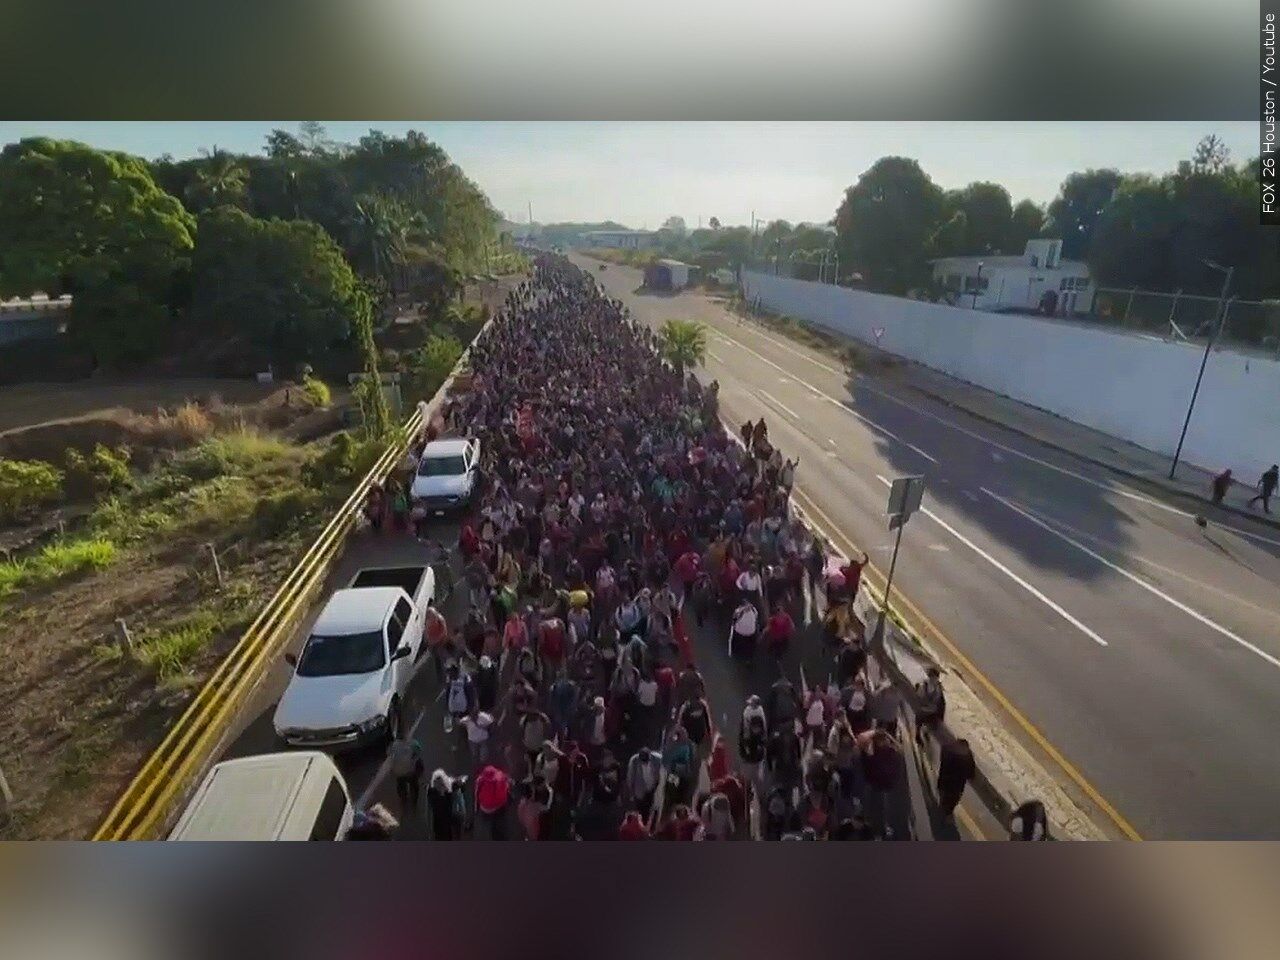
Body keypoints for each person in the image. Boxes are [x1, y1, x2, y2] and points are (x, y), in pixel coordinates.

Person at [936, 737, 976, 822]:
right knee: (952, 801)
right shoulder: (968, 756)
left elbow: (942, 758)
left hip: (944, 780)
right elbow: (971, 774)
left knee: (943, 795)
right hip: (957, 786)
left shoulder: (947, 748)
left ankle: (943, 807)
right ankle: (948, 814)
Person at [386, 731, 424, 816]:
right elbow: (419, 750)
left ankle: (403, 798)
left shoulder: (393, 745)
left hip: (398, 773)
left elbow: (388, 753)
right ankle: (414, 799)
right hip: (410, 772)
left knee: (400, 783)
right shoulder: (413, 743)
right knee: (414, 783)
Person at [474, 764, 511, 840]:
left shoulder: (480, 779)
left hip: (485, 808)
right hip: (498, 806)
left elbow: (476, 794)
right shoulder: (500, 777)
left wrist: (476, 808)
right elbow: (507, 789)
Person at [626, 745, 664, 819]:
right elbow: (630, 778)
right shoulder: (634, 761)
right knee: (642, 812)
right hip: (640, 790)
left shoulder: (659, 759)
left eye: (646, 761)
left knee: (655, 810)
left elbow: (665, 772)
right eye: (643, 761)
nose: (645, 763)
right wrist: (631, 793)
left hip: (654, 788)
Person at [914, 666, 946, 745]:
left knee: (932, 724)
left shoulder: (938, 686)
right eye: (933, 677)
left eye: (936, 677)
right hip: (923, 710)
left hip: (933, 710)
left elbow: (941, 700)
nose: (935, 679)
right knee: (919, 724)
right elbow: (919, 697)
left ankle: (926, 733)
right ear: (930, 677)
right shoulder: (923, 686)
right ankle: (917, 735)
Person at [425, 769, 459, 840]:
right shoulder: (432, 792)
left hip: (445, 821)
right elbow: (429, 809)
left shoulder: (448, 791)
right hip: (440, 821)